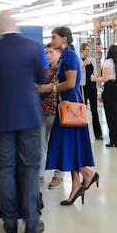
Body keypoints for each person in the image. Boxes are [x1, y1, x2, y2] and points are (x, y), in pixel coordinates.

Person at [0, 10, 49, 233]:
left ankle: (9, 223)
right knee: (30, 169)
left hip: (1, 119)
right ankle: (31, 222)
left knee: (5, 169)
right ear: (16, 24)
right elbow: (42, 78)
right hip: (30, 116)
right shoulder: (33, 47)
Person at [42, 26, 98, 207]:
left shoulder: (70, 57)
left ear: (64, 39)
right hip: (66, 106)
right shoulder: (66, 56)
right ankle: (76, 185)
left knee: (64, 144)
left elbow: (71, 83)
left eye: (54, 37)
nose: (52, 40)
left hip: (70, 107)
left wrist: (50, 88)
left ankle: (87, 174)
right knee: (71, 145)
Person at [92, 43, 117, 147]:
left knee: (111, 114)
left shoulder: (107, 62)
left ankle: (114, 140)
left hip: (110, 88)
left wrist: (94, 79)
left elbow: (105, 78)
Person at [41, 44, 64, 189]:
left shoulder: (64, 69)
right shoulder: (44, 70)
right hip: (43, 111)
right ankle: (39, 173)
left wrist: (46, 87)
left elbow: (62, 86)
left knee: (58, 144)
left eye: (51, 52)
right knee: (41, 144)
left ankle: (58, 175)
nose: (48, 55)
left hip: (60, 112)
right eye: (46, 53)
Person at [81, 42, 103, 140]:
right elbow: (76, 73)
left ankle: (98, 133)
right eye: (86, 50)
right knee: (83, 110)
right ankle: (83, 134)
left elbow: (95, 72)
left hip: (92, 87)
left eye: (89, 50)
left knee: (94, 110)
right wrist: (83, 65)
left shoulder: (92, 60)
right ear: (82, 50)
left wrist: (95, 74)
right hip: (83, 87)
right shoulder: (78, 60)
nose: (88, 52)